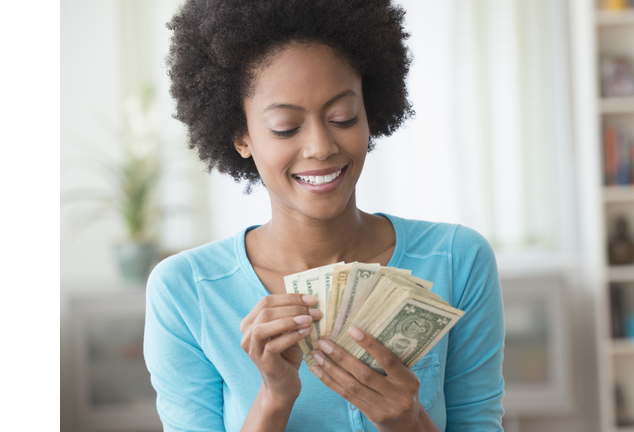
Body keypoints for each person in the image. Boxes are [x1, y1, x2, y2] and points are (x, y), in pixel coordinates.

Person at [143, 1, 505, 431]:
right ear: (241, 135)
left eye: (343, 117)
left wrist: (410, 422)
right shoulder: (186, 291)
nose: (320, 146)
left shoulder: (457, 260)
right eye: (285, 127)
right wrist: (273, 399)